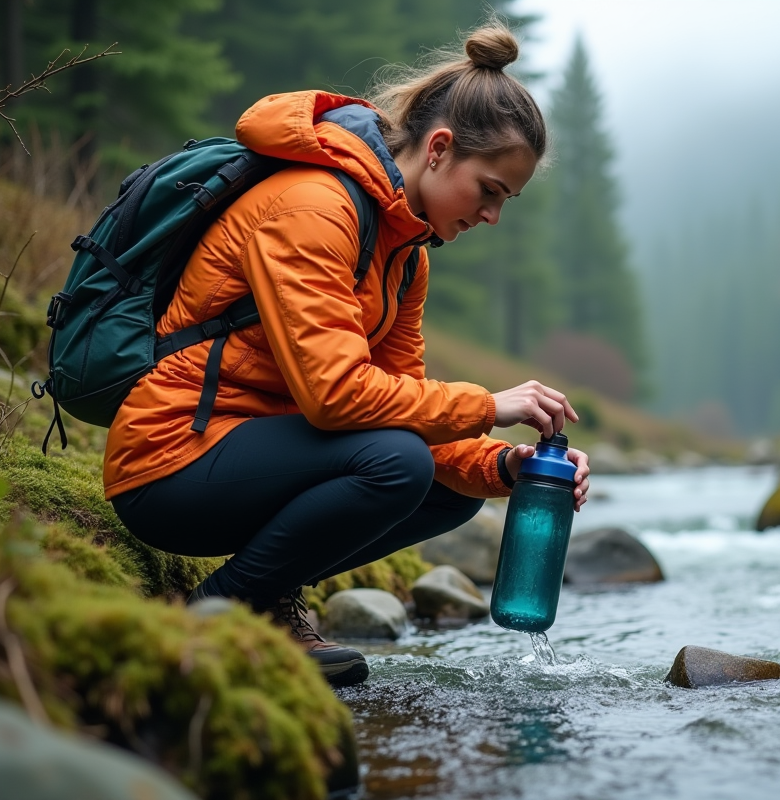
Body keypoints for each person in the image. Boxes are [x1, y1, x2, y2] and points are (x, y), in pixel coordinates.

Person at [104, 23, 590, 688]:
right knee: (398, 463)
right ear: (439, 149)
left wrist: (507, 465)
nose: (492, 216)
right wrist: (487, 406)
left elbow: (402, 403)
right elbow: (336, 397)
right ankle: (224, 606)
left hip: (259, 454)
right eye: (489, 191)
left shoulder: (404, 255)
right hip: (172, 461)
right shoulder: (314, 208)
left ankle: (269, 592)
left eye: (505, 200)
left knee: (450, 492)